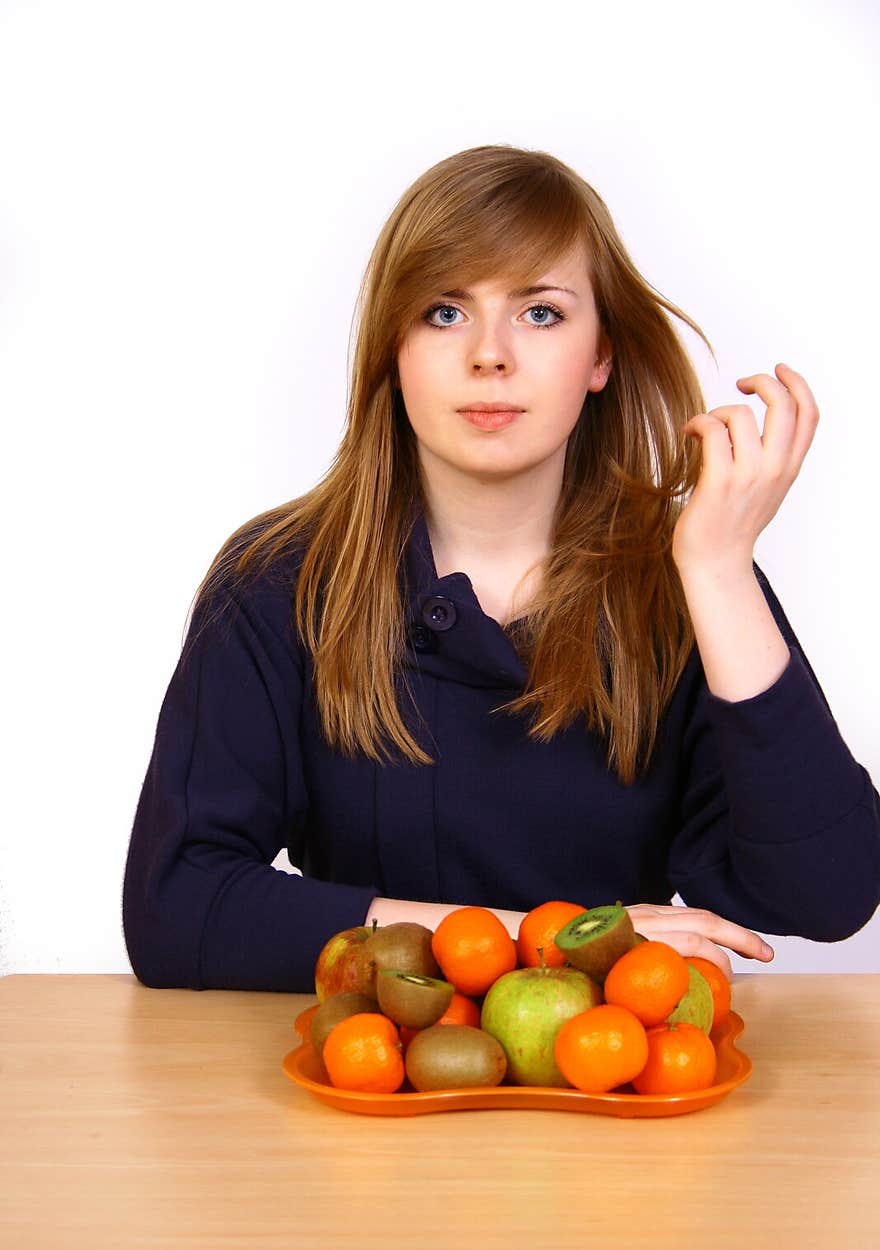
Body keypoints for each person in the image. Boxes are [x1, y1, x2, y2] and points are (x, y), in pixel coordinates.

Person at [122, 143, 880, 993]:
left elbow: (828, 893)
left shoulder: (681, 584)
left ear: (601, 358)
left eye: (541, 313)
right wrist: (551, 942)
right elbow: (176, 907)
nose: (489, 354)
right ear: (393, 351)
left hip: (618, 1096)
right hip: (364, 1095)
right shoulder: (275, 582)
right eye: (444, 312)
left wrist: (719, 566)